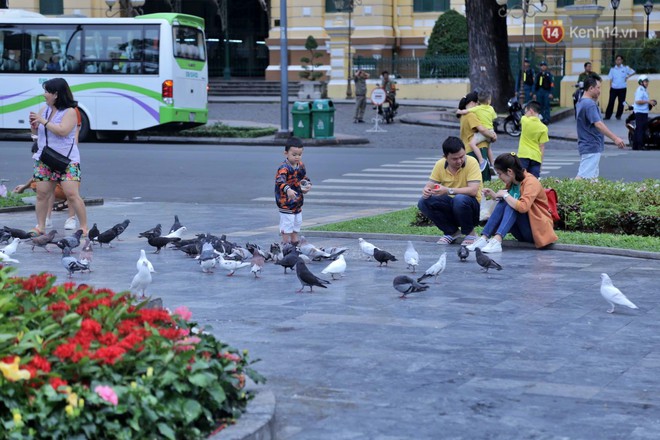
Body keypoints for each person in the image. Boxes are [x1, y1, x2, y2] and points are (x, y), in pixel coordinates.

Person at [28, 77, 88, 236]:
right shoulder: (44, 110)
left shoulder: (70, 112)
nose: (44, 94)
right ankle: (40, 226)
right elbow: (36, 134)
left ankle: (84, 227)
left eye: (47, 91)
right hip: (45, 159)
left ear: (56, 94)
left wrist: (43, 121)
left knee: (72, 195)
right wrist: (34, 126)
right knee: (42, 194)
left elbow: (63, 131)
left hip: (66, 160)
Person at [466, 152, 558, 254]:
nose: (499, 177)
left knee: (511, 204)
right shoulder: (512, 183)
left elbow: (523, 207)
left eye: (500, 174)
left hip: (536, 232)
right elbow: (508, 201)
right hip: (520, 231)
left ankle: (497, 239)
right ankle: (484, 238)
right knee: (505, 202)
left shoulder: (531, 182)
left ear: (509, 171)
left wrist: (505, 195)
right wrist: (495, 195)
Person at [417, 136, 482, 246]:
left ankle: (471, 234)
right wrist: (426, 190)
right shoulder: (440, 164)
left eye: (462, 156)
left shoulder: (472, 162)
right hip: (452, 206)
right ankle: (452, 232)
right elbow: (430, 184)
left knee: (460, 199)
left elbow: (473, 190)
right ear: (445, 157)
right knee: (424, 201)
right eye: (454, 159)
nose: (459, 161)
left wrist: (448, 190)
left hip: (472, 208)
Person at [575, 74, 626, 179]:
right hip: (591, 145)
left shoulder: (581, 102)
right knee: (583, 178)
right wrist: (615, 138)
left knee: (592, 179)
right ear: (590, 88)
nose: (599, 91)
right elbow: (598, 124)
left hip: (589, 145)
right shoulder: (589, 104)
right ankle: (567, 195)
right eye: (598, 88)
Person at [274, 137, 311, 245]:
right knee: (287, 223)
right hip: (285, 202)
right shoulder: (284, 167)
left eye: (299, 154)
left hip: (297, 201)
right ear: (286, 153)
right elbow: (280, 181)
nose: (297, 157)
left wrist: (307, 186)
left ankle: (294, 241)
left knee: (297, 222)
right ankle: (285, 243)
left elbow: (303, 177)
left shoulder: (301, 165)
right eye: (294, 155)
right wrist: (288, 190)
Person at [457, 91, 496, 182]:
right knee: (484, 180)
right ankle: (490, 163)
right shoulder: (471, 115)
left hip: (467, 149)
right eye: (478, 103)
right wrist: (493, 136)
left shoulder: (463, 116)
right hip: (478, 149)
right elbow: (482, 129)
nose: (479, 106)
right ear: (472, 103)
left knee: (472, 179)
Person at [517, 100, 549, 178]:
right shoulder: (543, 128)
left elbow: (521, 118)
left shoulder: (524, 120)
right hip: (536, 157)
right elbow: (542, 146)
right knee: (534, 181)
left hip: (523, 155)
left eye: (526, 111)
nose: (525, 114)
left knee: (521, 179)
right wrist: (541, 163)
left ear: (531, 111)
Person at [605, 55, 635, 120]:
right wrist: (610, 87)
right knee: (611, 102)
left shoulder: (625, 68)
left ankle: (618, 115)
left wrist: (628, 76)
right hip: (614, 89)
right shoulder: (612, 69)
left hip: (622, 89)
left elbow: (633, 72)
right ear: (615, 61)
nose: (618, 61)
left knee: (621, 103)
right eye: (617, 59)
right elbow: (610, 79)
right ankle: (607, 116)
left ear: (622, 60)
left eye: (620, 59)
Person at [632, 75, 657, 151]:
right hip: (640, 112)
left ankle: (635, 146)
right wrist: (648, 101)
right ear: (641, 82)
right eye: (645, 81)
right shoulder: (640, 90)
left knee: (639, 129)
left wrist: (650, 103)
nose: (647, 83)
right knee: (641, 129)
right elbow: (638, 101)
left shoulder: (644, 90)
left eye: (647, 81)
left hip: (643, 111)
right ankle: (640, 146)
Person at [532, 61, 553, 125]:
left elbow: (552, 84)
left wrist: (551, 93)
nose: (543, 67)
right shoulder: (538, 75)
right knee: (540, 105)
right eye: (542, 66)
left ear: (546, 67)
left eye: (544, 65)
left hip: (546, 91)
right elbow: (535, 84)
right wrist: (534, 93)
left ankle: (547, 119)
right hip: (539, 91)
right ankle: (541, 118)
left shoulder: (549, 75)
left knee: (546, 105)